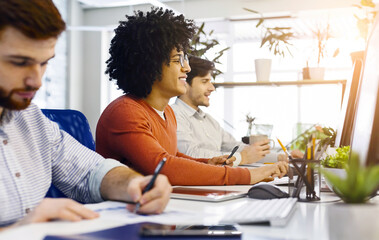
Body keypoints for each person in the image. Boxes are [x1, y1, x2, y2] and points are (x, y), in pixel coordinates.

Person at [0, 0, 171, 231]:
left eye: (44, 63)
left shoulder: (30, 119)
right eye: (20, 63)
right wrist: (19, 230)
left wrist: (134, 183)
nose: (37, 81)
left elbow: (90, 172)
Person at [96, 8, 288, 186]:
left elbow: (172, 155)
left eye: (184, 59)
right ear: (150, 66)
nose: (186, 68)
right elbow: (164, 166)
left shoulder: (167, 112)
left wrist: (208, 163)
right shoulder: (125, 112)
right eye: (177, 60)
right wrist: (248, 175)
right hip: (127, 215)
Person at [171, 56, 303, 166]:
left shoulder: (210, 121)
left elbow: (238, 147)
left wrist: (282, 157)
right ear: (185, 83)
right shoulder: (174, 114)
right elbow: (189, 154)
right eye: (205, 81)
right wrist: (241, 157)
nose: (212, 88)